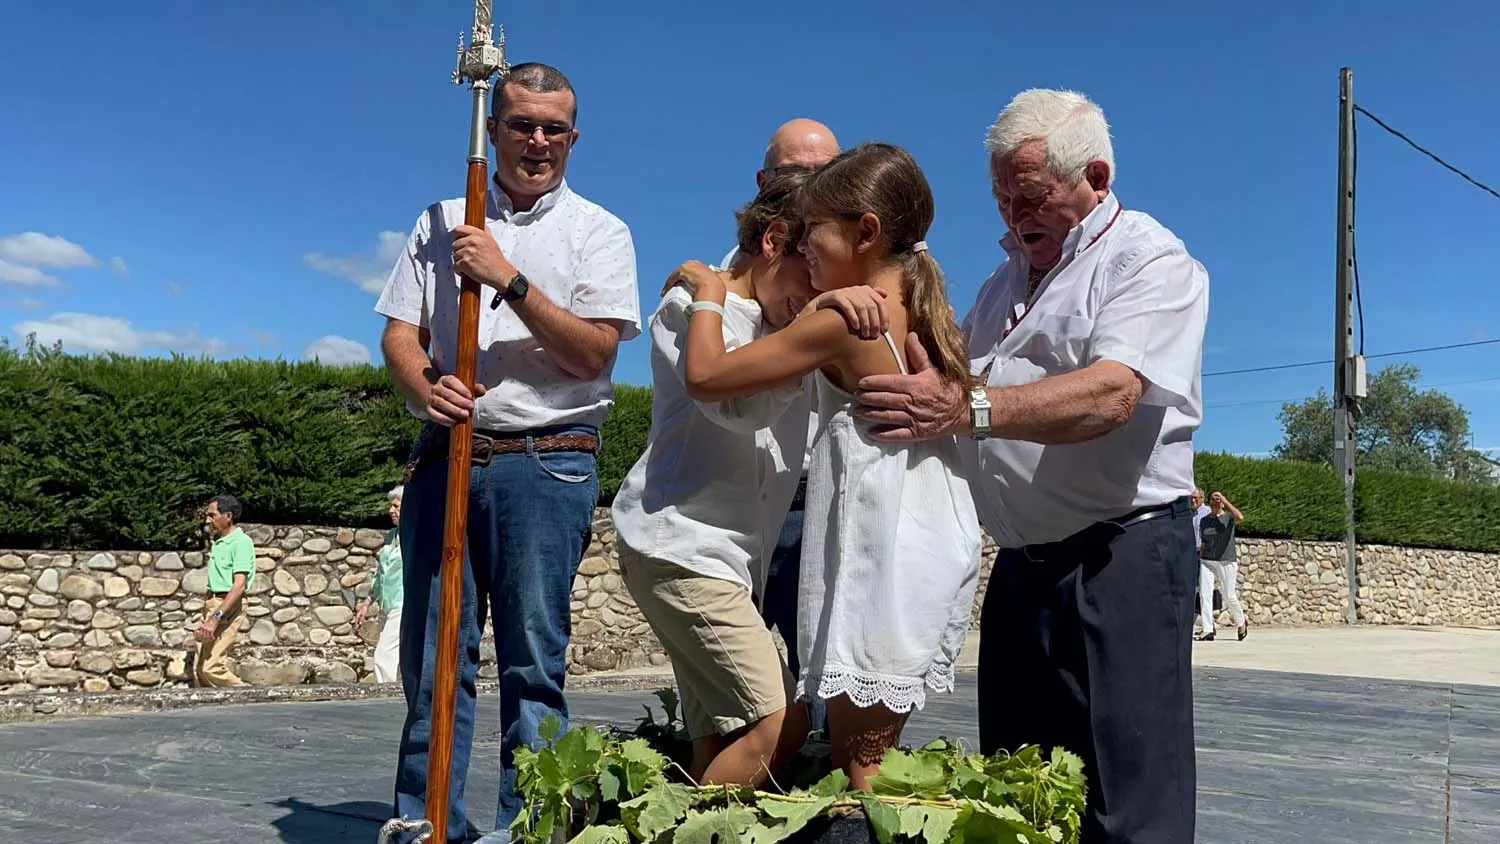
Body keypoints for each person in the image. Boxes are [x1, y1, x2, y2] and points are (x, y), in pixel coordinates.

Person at [854, 89, 1209, 843]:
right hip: (1023, 571)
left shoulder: (1148, 260)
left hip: (1125, 559)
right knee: (1021, 791)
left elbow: (1113, 394)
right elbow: (948, 372)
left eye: (1034, 196)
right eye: (1002, 197)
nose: (1015, 215)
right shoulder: (1001, 284)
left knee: (1129, 799)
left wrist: (965, 410)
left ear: (1098, 177)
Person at [374, 62, 640, 844]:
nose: (536, 140)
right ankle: (429, 828)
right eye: (521, 123)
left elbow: (594, 353)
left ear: (573, 138)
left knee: (533, 669)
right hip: (448, 456)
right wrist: (426, 385)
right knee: (433, 667)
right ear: (493, 131)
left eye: (553, 128)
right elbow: (399, 331)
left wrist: (508, 277)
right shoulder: (439, 219)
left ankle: (529, 831)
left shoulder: (600, 231)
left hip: (549, 461)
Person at [670, 142, 981, 790]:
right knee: (871, 763)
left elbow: (706, 376)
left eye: (815, 230)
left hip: (881, 557)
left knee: (861, 774)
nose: (802, 246)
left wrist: (706, 291)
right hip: (925, 542)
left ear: (866, 232)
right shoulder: (920, 304)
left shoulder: (846, 323)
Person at [612, 171, 883, 787]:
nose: (814, 291)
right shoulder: (691, 306)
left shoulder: (780, 321)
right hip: (680, 548)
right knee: (780, 722)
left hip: (723, 559)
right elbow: (737, 406)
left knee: (721, 738)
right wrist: (802, 329)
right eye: (807, 270)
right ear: (774, 241)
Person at [722, 119, 842, 736]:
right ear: (766, 184)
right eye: (800, 176)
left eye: (829, 177)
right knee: (746, 689)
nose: (815, 191)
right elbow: (716, 391)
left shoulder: (854, 282)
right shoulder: (720, 284)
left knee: (823, 667)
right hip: (740, 502)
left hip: (821, 494)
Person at [195, 494, 253, 688]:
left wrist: (215, 618)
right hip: (213, 602)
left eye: (212, 515)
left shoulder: (241, 543)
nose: (208, 520)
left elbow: (239, 586)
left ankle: (249, 697)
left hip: (227, 605)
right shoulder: (220, 541)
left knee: (211, 667)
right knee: (200, 669)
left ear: (227, 516)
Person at [355, 486, 405, 682]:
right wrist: (367, 603)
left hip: (404, 603)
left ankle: (385, 693)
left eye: (396, 506)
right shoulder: (392, 535)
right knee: (394, 653)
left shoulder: (416, 536)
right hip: (387, 603)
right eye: (391, 506)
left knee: (384, 654)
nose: (391, 510)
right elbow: (380, 573)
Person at [1197, 490, 1248, 641]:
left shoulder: (1228, 517)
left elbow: (1240, 517)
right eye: (1213, 498)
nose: (1215, 501)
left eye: (1217, 498)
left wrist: (1225, 501)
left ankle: (1241, 622)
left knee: (1229, 595)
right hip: (1207, 560)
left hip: (1226, 560)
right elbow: (1204, 540)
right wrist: (1201, 556)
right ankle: (1207, 629)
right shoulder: (1205, 520)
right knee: (1205, 594)